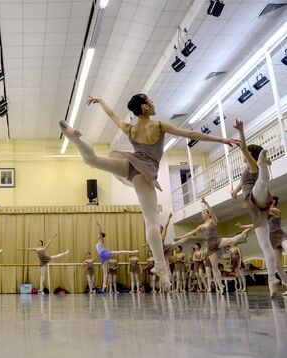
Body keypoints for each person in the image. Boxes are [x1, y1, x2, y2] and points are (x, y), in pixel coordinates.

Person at [59, 94, 240, 288]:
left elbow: (112, 114)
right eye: (151, 102)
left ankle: (76, 138)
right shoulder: (159, 126)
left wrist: (101, 101)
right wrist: (222, 139)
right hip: (144, 172)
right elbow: (191, 135)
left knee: (92, 160)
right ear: (145, 107)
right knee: (151, 221)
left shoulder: (131, 128)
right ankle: (161, 265)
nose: (154, 104)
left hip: (130, 165)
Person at [231, 119, 286, 297]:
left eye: (247, 155)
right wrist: (235, 192)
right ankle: (272, 280)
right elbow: (242, 183)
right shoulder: (246, 170)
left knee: (261, 183)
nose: (243, 157)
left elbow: (243, 148)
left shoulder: (252, 165)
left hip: (259, 195)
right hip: (255, 206)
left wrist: (241, 131)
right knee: (265, 246)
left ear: (251, 156)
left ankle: (264, 164)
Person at [174, 198, 250, 293]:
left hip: (216, 240)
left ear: (208, 214)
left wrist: (206, 203)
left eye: (204, 213)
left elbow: (213, 214)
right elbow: (190, 233)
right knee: (214, 267)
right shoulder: (201, 226)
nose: (202, 215)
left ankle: (243, 234)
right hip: (210, 245)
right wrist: (179, 238)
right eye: (202, 214)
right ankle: (221, 286)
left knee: (231, 240)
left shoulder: (213, 221)